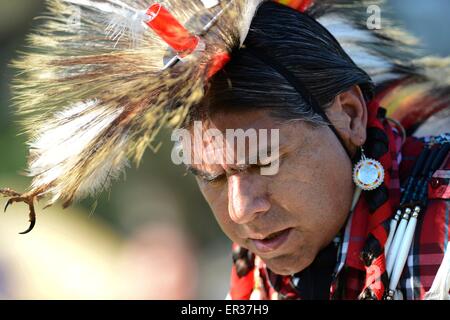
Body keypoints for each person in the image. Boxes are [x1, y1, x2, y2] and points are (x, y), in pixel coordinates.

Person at [1, 0, 449, 300]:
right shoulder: (254, 274)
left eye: (265, 160)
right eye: (212, 177)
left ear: (350, 114)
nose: (241, 209)